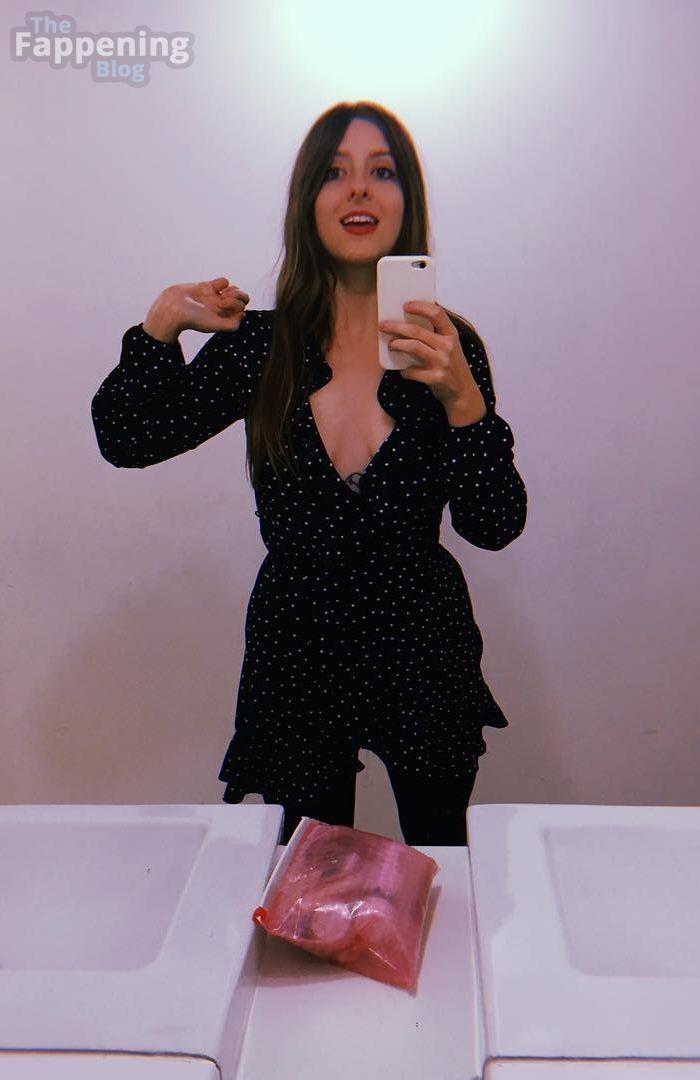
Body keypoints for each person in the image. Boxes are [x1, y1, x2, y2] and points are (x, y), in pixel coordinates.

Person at [91, 100, 527, 846]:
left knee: (440, 862)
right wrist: (161, 324)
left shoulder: (445, 346)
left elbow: (494, 525)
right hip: (298, 644)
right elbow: (127, 437)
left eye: (381, 171)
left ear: (407, 201)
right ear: (307, 202)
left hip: (421, 641)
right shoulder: (261, 347)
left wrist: (464, 400)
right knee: (304, 877)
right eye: (334, 172)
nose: (358, 188)